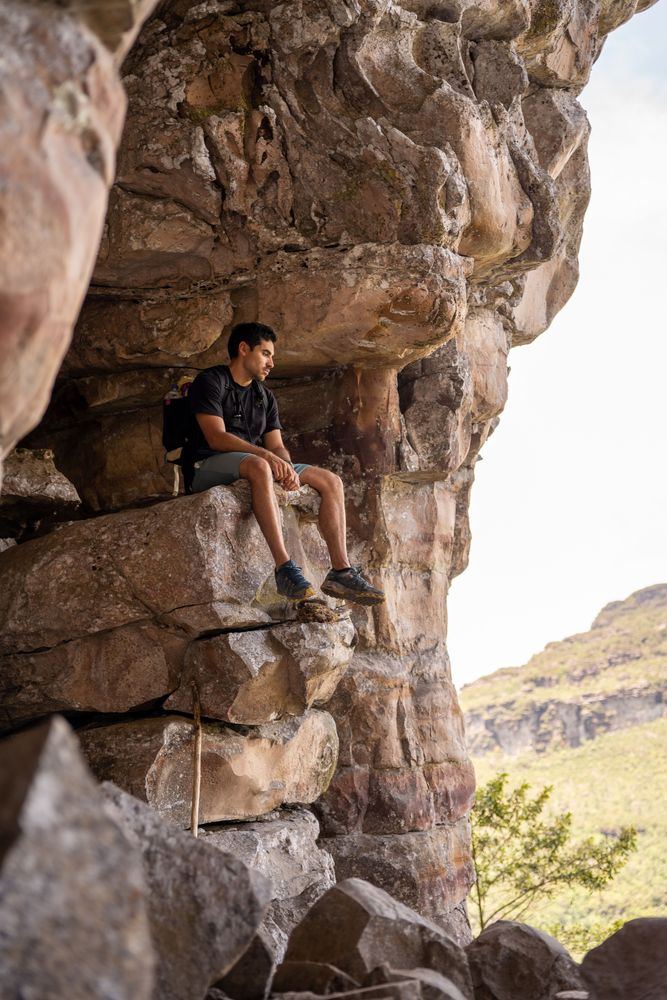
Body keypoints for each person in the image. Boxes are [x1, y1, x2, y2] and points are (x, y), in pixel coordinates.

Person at [181, 321, 385, 605]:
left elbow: (276, 445)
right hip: (205, 464)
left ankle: (341, 572)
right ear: (244, 349)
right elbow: (216, 437)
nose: (271, 363)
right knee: (260, 466)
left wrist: (286, 466)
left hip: (252, 461)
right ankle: (285, 568)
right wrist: (266, 456)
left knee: (331, 481)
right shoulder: (212, 381)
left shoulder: (264, 396)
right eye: (265, 353)